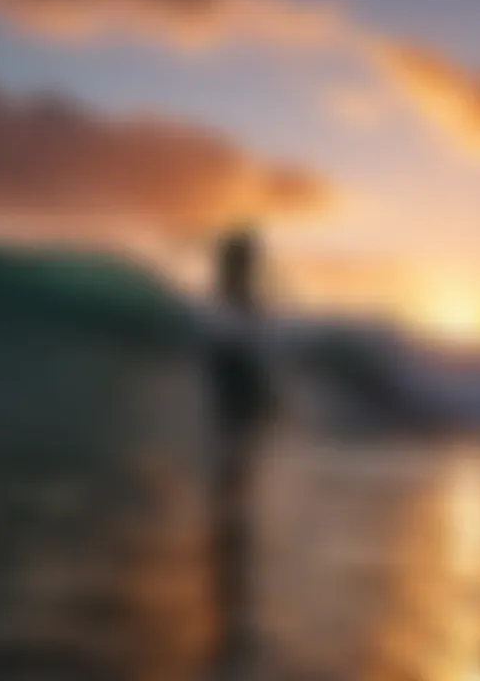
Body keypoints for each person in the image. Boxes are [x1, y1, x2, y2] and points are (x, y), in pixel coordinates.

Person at [208, 229, 274, 677]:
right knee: (232, 495)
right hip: (232, 405)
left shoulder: (243, 299)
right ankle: (232, 549)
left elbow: (256, 360)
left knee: (234, 496)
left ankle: (232, 551)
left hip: (239, 406)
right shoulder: (232, 299)